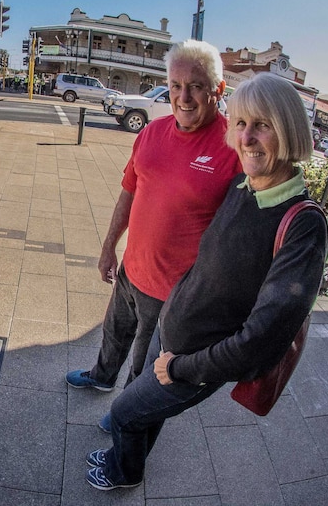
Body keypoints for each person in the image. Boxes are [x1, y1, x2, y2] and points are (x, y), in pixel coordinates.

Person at [85, 72, 328, 491]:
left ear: (288, 130)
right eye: (240, 124)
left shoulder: (303, 224)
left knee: (127, 412)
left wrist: (180, 368)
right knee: (144, 412)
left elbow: (261, 339)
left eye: (263, 125)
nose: (247, 138)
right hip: (172, 332)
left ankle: (124, 472)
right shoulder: (243, 185)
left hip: (195, 362)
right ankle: (128, 460)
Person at [65, 40, 242, 417]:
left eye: (195, 86)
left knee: (146, 370)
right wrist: (109, 246)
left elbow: (240, 238)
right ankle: (101, 376)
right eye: (175, 86)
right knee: (113, 334)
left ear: (218, 90)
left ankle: (125, 419)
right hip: (132, 270)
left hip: (174, 295)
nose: (183, 97)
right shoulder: (151, 133)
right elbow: (129, 191)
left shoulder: (233, 150)